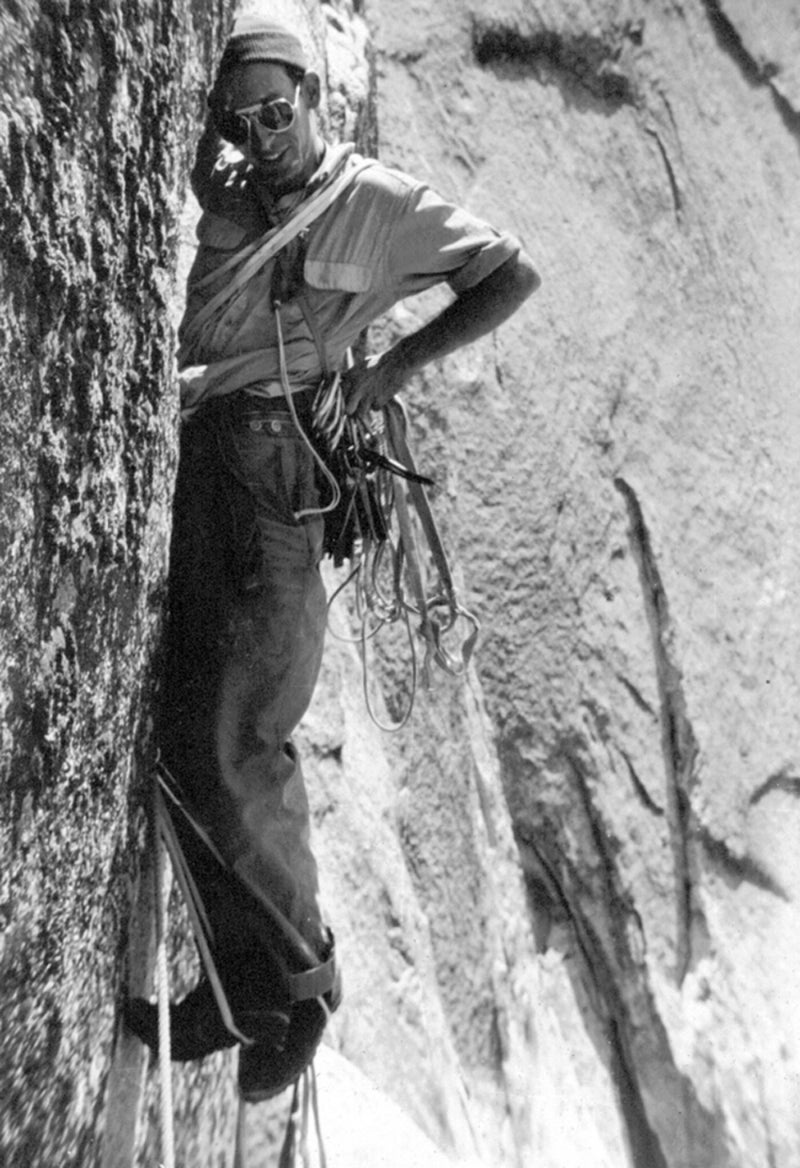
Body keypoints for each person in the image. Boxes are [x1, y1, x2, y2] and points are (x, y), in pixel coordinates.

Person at [125, 10, 539, 1101]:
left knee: (240, 737)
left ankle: (301, 991)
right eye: (239, 117)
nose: (260, 132)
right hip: (210, 458)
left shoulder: (375, 201)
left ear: (316, 99)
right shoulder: (234, 191)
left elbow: (507, 273)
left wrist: (387, 371)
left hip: (278, 485)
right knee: (182, 728)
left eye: (277, 111)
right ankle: (238, 993)